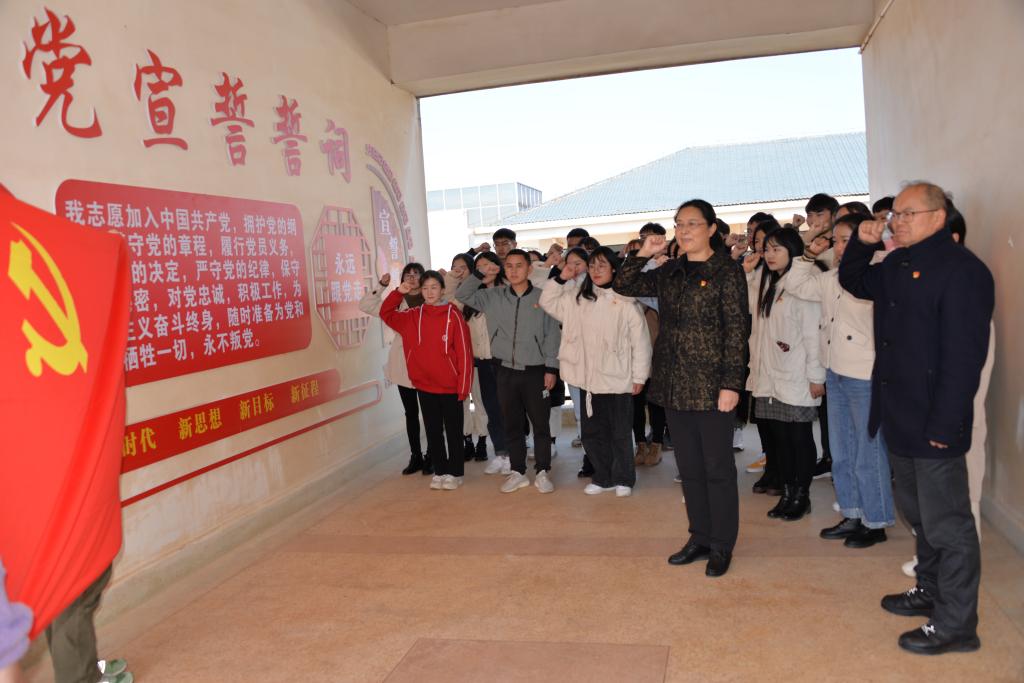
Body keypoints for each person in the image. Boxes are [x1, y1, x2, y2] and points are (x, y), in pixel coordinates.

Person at [839, 181, 994, 655]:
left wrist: (946, 425)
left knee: (949, 525)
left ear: (938, 217)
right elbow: (854, 282)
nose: (896, 222)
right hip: (899, 414)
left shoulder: (963, 271)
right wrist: (862, 243)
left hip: (935, 422)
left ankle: (956, 624)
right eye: (894, 215)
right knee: (921, 516)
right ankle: (929, 590)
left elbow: (963, 358)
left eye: (908, 214)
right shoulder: (898, 264)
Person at [614, 199, 748, 577]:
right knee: (689, 469)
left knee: (717, 469)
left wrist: (731, 383)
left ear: (711, 228)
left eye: (692, 223)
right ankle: (699, 537)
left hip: (713, 385)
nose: (684, 230)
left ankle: (721, 544)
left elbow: (737, 330)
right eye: (679, 224)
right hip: (674, 384)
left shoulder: (727, 271)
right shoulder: (670, 271)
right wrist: (644, 252)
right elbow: (623, 284)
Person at [788, 214, 895, 547]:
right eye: (836, 241)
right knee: (842, 450)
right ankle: (852, 512)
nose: (838, 247)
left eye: (847, 240)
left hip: (865, 373)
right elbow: (795, 285)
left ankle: (876, 520)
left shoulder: (880, 272)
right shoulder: (831, 277)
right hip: (835, 370)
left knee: (868, 452)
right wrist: (808, 254)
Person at [541, 246, 651, 496]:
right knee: (592, 433)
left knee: (619, 432)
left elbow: (641, 343)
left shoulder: (626, 302)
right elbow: (547, 302)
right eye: (592, 266)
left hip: (618, 378)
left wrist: (639, 376)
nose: (596, 270)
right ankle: (603, 477)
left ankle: (623, 478)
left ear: (614, 269)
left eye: (602, 265)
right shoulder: (578, 298)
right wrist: (561, 277)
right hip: (588, 378)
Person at [456, 249, 562, 494]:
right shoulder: (493, 296)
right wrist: (479, 274)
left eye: (519, 265)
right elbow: (462, 294)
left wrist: (551, 368)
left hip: (536, 371)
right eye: (509, 266)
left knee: (540, 424)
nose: (514, 271)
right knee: (511, 424)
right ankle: (518, 471)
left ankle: (543, 471)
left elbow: (552, 335)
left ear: (529, 269)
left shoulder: (542, 298)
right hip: (504, 370)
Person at [748, 227, 825, 521]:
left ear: (793, 251)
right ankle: (788, 493)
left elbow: (813, 335)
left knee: (799, 438)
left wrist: (816, 377)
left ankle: (801, 496)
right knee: (781, 440)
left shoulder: (803, 284)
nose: (769, 255)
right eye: (767, 249)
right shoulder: (772, 283)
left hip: (797, 375)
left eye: (776, 249)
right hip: (772, 377)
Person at [380, 270, 473, 490]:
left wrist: (464, 386)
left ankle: (456, 472)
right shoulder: (412, 316)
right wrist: (398, 292)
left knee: (453, 431)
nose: (430, 292)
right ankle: (440, 471)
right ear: (420, 291)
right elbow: (386, 313)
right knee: (432, 430)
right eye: (425, 288)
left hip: (450, 386)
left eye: (434, 287)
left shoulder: (453, 315)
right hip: (424, 385)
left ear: (442, 290)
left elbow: (464, 352)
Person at [359, 263, 431, 475]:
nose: (412, 278)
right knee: (411, 413)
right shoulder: (396, 301)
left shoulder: (431, 298)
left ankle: (432, 455)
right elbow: (366, 305)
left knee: (431, 412)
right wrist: (381, 286)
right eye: (408, 274)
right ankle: (416, 456)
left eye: (416, 274)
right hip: (403, 364)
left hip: (429, 364)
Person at [445, 254, 490, 462]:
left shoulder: (480, 294)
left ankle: (482, 440)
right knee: (461, 402)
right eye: (455, 267)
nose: (459, 271)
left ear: (472, 270)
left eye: (463, 267)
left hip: (477, 359)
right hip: (456, 361)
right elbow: (448, 303)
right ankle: (467, 440)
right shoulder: (453, 297)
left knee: (480, 401)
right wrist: (451, 279)